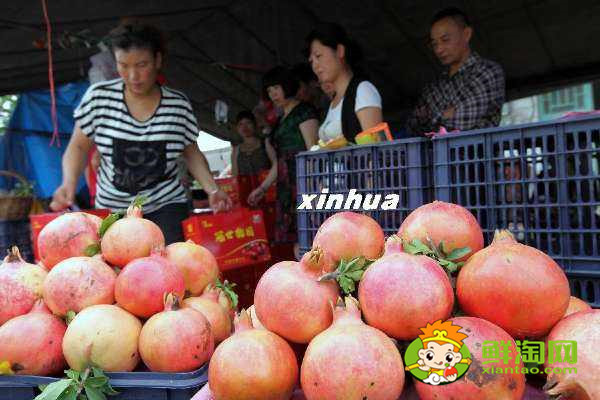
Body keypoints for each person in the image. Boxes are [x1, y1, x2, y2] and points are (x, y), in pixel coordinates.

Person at [50, 24, 231, 243]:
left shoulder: (177, 105)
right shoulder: (99, 98)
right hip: (113, 210)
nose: (133, 75)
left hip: (166, 207)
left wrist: (212, 190)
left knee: (171, 265)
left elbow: (192, 153)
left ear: (158, 60)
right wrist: (68, 183)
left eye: (141, 64)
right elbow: (78, 147)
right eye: (123, 65)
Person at [407, 7, 505, 135]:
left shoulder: (487, 71)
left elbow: (462, 123)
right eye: (434, 44)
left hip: (477, 153)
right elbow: (412, 128)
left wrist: (429, 119)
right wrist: (446, 114)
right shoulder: (433, 86)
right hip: (438, 155)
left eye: (445, 40)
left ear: (466, 34)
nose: (439, 50)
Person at [263, 66, 319, 256]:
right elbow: (279, 161)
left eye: (276, 88)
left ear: (287, 86)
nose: (273, 94)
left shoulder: (303, 111)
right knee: (296, 239)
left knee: (313, 235)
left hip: (304, 182)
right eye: (269, 91)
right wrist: (262, 188)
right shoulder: (280, 120)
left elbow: (314, 150)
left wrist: (314, 187)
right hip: (286, 188)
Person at [306, 23, 383, 144]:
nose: (315, 66)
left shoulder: (363, 90)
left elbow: (375, 149)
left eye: (318, 56)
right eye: (311, 61)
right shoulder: (333, 101)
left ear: (340, 51)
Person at [230, 110, 277, 207]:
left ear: (255, 125)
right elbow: (235, 176)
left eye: (248, 123)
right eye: (240, 124)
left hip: (268, 191)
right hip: (247, 195)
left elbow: (277, 164)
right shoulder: (236, 150)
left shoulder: (265, 143)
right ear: (237, 128)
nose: (244, 127)